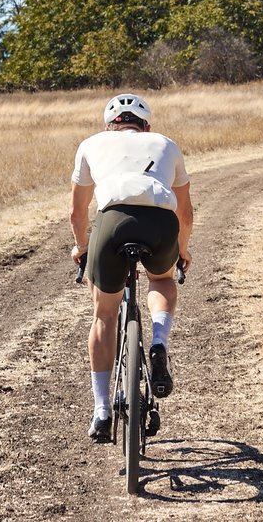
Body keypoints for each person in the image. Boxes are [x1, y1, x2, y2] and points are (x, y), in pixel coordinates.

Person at [69, 93, 194, 441]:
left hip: (112, 223)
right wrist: (182, 251)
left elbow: (77, 213)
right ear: (146, 126)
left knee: (103, 315)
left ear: (110, 126)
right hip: (160, 223)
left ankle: (102, 411)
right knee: (162, 280)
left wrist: (82, 248)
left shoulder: (91, 144)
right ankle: (157, 341)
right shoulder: (166, 144)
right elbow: (185, 213)